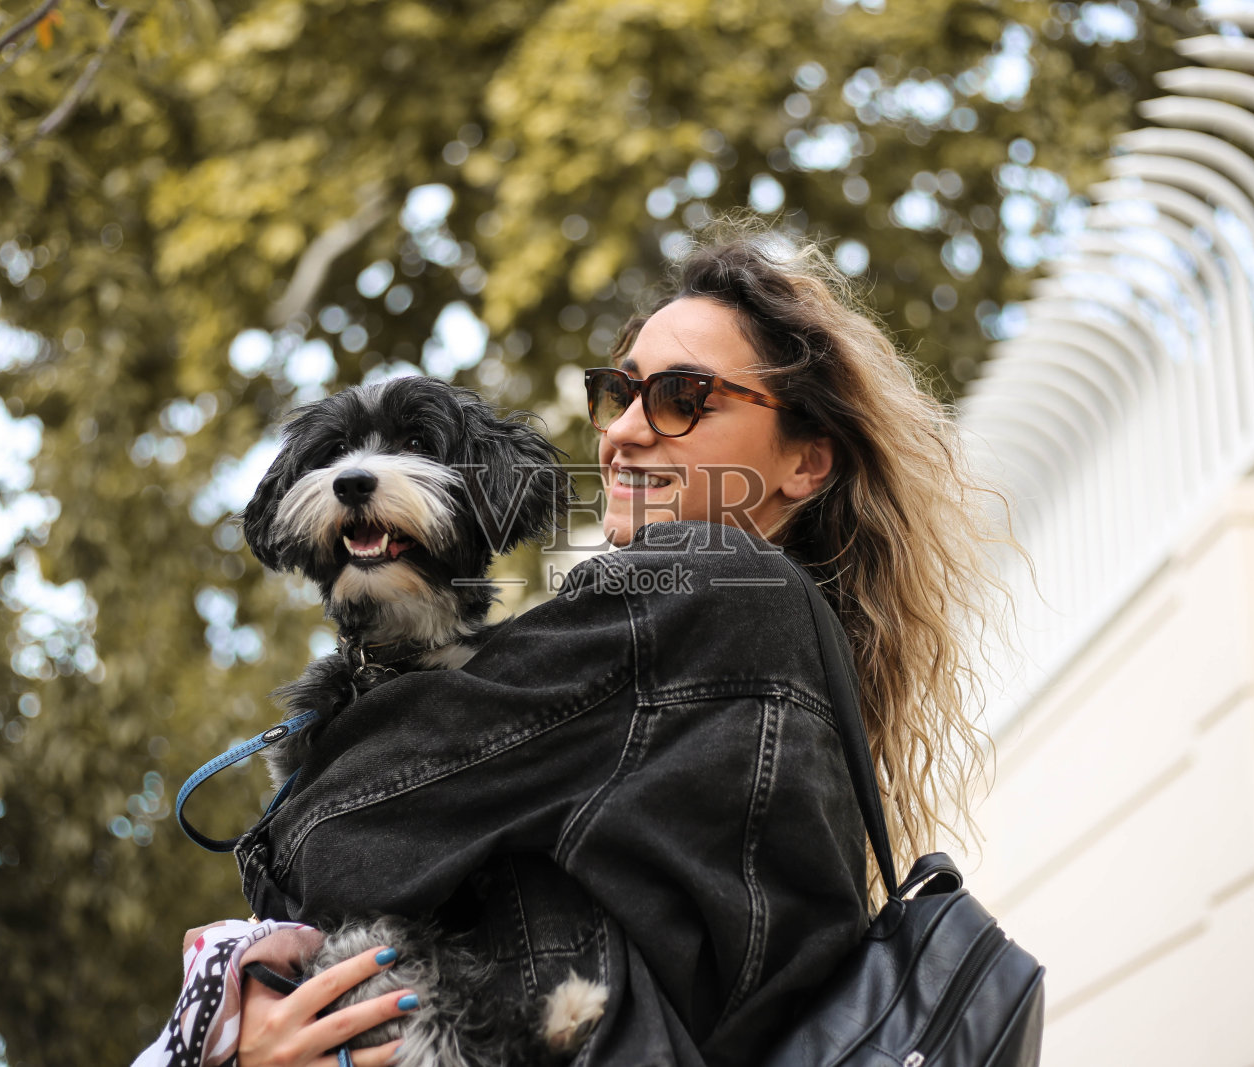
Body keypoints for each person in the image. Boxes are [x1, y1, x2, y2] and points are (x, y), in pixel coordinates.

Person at [190, 222, 1012, 1067]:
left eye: (682, 396)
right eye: (619, 393)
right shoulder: (755, 654)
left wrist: (229, 1002)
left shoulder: (710, 583)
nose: (622, 431)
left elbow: (326, 838)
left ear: (804, 462)